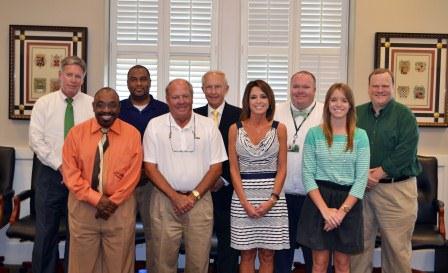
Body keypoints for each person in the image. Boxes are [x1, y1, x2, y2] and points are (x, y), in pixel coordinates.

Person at [143, 79, 227, 273]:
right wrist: (175, 197)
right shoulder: (155, 126)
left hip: (200, 201)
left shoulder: (208, 126)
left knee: (199, 263)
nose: (181, 101)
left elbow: (216, 168)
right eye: (175, 97)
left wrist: (193, 197)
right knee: (163, 262)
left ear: (192, 97)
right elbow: (150, 168)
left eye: (185, 96)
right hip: (164, 201)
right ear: (167, 99)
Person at [62, 87, 142, 273]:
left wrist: (111, 202)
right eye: (101, 105)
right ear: (93, 106)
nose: (106, 110)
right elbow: (70, 174)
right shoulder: (76, 134)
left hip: (119, 210)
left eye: (112, 105)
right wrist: (97, 200)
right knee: (82, 266)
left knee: (119, 265)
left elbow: (133, 174)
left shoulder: (132, 135)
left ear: (119, 108)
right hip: (83, 209)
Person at [350, 68, 421, 273]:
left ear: (393, 88)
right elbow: (346, 145)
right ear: (369, 88)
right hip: (361, 190)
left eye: (385, 86)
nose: (380, 90)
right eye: (375, 86)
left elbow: (406, 151)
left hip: (396, 190)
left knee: (396, 249)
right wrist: (363, 176)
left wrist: (378, 173)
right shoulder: (357, 113)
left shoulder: (405, 115)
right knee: (359, 247)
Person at [29, 55, 93, 273]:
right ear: (60, 76)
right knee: (46, 233)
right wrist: (61, 166)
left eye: (78, 76)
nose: (73, 80)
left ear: (83, 78)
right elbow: (36, 141)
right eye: (69, 75)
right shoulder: (43, 104)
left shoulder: (92, 105)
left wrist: (76, 170)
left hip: (82, 177)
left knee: (79, 234)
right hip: (50, 175)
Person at [297, 83, 370, 273]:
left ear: (350, 105)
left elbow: (361, 179)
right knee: (319, 263)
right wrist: (326, 212)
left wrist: (340, 213)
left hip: (348, 203)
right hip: (319, 201)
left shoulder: (360, 136)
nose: (338, 104)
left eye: (344, 100)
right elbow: (307, 174)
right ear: (327, 103)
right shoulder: (314, 134)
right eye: (334, 99)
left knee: (342, 263)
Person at [229, 79, 289, 273]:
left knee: (267, 254)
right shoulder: (234, 129)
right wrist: (245, 203)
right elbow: (233, 169)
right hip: (242, 198)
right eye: (253, 97)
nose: (258, 101)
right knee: (246, 254)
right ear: (247, 101)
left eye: (263, 96)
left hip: (272, 198)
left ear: (270, 100)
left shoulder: (279, 128)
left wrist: (272, 200)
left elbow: (282, 168)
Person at [273, 71, 325, 273]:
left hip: (313, 195)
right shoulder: (276, 111)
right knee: (281, 252)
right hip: (282, 195)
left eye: (305, 87)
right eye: (296, 86)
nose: (300, 91)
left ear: (314, 90)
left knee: (314, 253)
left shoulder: (326, 112)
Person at [119, 65, 169, 270]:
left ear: (149, 81)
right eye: (134, 79)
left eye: (143, 79)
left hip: (153, 183)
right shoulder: (118, 108)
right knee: (123, 235)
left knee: (155, 235)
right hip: (123, 183)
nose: (138, 83)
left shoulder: (163, 110)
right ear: (128, 82)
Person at [194, 70, 241, 273]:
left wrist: (224, 179)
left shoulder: (241, 116)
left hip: (228, 192)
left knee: (228, 244)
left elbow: (242, 154)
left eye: (217, 87)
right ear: (203, 89)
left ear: (226, 89)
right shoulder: (192, 115)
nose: (213, 91)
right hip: (198, 190)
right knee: (196, 244)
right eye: (209, 87)